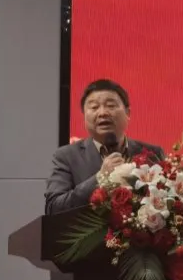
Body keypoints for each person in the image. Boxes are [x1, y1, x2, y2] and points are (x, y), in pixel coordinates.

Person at [44, 79, 165, 215]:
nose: (102, 113)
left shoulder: (153, 153)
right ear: (84, 116)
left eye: (111, 106)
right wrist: (100, 178)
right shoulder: (66, 157)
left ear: (128, 113)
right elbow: (53, 207)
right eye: (94, 107)